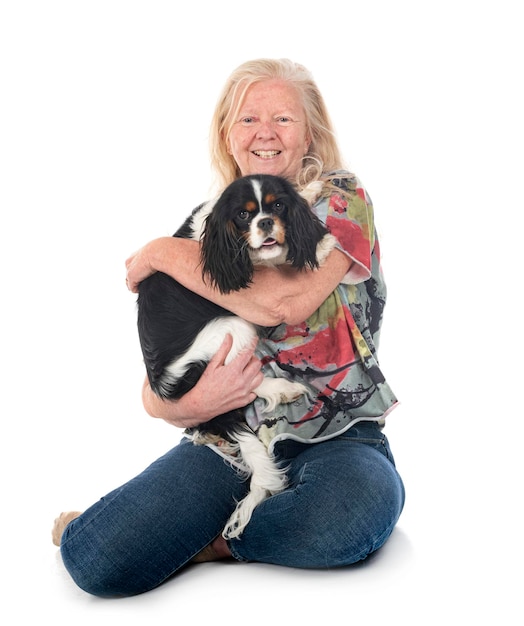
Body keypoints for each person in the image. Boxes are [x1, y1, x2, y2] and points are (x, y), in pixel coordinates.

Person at [53, 58, 405, 597]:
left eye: (283, 119)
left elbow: (284, 300)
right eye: (247, 120)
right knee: (94, 558)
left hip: (340, 434)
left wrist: (161, 251)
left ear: (310, 130)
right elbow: (159, 372)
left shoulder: (340, 199)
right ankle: (212, 520)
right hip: (229, 437)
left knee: (352, 516)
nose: (264, 132)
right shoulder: (209, 222)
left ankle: (219, 539)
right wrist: (182, 407)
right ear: (227, 134)